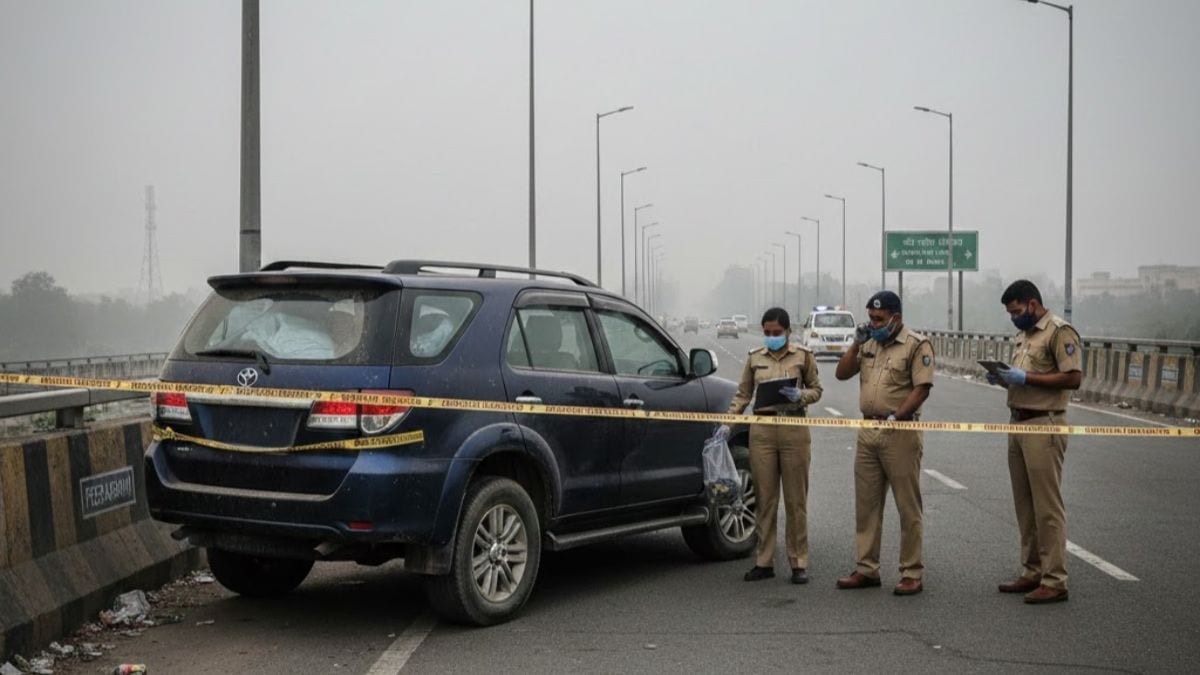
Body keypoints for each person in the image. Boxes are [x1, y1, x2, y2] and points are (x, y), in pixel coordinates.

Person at [987, 279, 1081, 604]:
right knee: (1025, 506)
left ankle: (1055, 579)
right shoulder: (1024, 336)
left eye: (1016, 312)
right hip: (1018, 422)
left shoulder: (1059, 332)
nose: (1014, 318)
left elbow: (1073, 377)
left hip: (1044, 423)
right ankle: (1032, 571)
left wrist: (1026, 377)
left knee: (1047, 507)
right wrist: (1005, 379)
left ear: (1032, 304)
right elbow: (1025, 381)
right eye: (1010, 314)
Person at [833, 291, 933, 596]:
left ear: (895, 318)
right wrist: (856, 343)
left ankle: (911, 572)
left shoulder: (916, 344)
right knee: (866, 505)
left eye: (879, 319)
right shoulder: (869, 343)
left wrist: (898, 416)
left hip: (899, 431)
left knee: (907, 506)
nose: (873, 323)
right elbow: (841, 373)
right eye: (870, 318)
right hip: (868, 431)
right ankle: (867, 568)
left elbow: (922, 388)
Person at [715, 307, 822, 584]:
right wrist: (728, 423)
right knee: (765, 498)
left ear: (788, 331)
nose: (772, 337)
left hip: (793, 428)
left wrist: (801, 395)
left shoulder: (803, 356)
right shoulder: (755, 358)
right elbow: (743, 394)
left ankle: (799, 562)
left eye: (777, 332)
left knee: (796, 501)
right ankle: (764, 561)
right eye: (767, 332)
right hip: (762, 430)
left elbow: (817, 389)